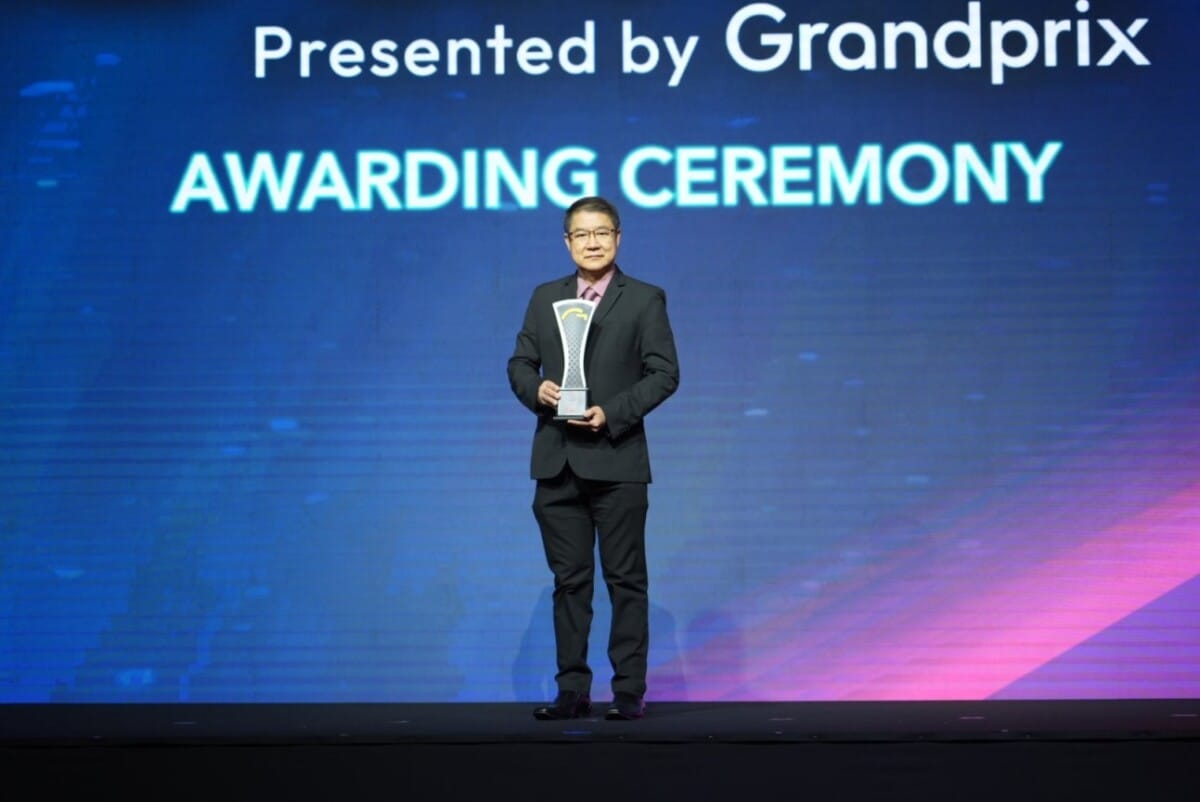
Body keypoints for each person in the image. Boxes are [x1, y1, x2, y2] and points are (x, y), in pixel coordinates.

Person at [507, 196, 680, 721]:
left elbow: (664, 374)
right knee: (569, 583)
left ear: (618, 237)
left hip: (617, 459)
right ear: (567, 243)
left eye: (602, 232)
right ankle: (572, 690)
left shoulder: (644, 298)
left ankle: (628, 691)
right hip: (557, 462)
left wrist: (613, 412)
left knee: (625, 581)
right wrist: (537, 390)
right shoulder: (545, 297)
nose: (592, 242)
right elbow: (519, 364)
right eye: (581, 234)